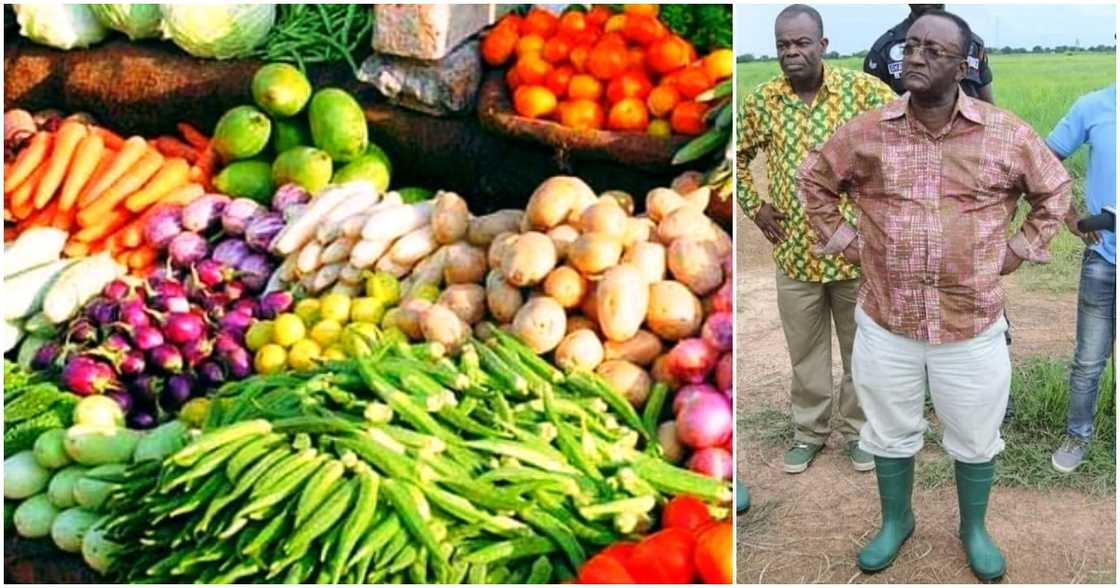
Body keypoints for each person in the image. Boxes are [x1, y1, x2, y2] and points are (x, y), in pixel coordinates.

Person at [797, 9, 1071, 580]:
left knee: (974, 436)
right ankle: (897, 521)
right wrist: (849, 243)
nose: (915, 57)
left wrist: (1019, 250)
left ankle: (973, 528)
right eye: (910, 46)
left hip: (970, 323)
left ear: (964, 65)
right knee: (890, 430)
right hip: (887, 319)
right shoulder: (868, 131)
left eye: (933, 51)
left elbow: (1056, 188)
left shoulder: (1004, 132)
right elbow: (816, 181)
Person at [737, 4, 896, 475]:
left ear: (822, 45)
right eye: (783, 44)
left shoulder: (861, 90)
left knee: (859, 352)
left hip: (852, 256)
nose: (792, 53)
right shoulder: (763, 101)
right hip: (795, 256)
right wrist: (755, 206)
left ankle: (860, 432)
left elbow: (903, 132)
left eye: (802, 43)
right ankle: (808, 433)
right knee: (805, 353)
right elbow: (735, 157)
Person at [1047, 84, 1117, 473]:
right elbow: (1045, 160)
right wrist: (1070, 214)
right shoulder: (1093, 106)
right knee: (1090, 359)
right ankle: (1077, 435)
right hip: (1105, 259)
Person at [865, 4, 994, 103]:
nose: (917, 59)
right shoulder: (884, 49)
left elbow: (987, 105)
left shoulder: (972, 44)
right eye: (909, 50)